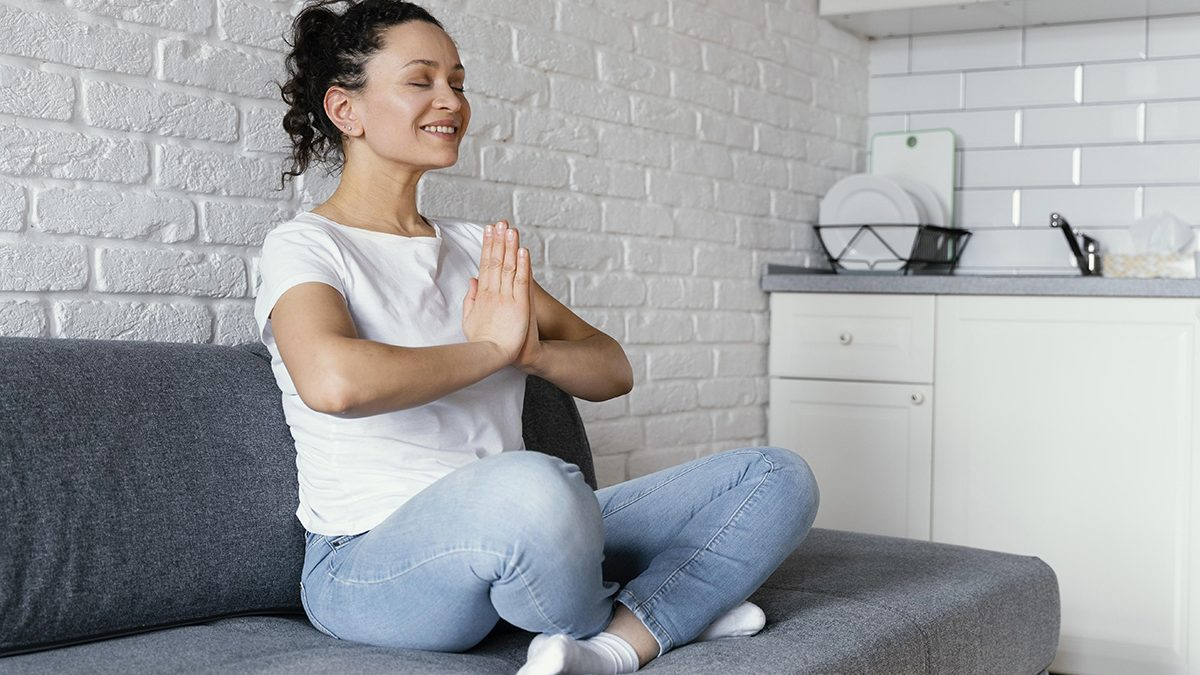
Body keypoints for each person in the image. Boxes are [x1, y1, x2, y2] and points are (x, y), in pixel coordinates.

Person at [254, 1, 820, 673]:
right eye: (421, 80)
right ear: (346, 109)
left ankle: (620, 643)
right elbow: (334, 382)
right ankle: (670, 610)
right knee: (536, 486)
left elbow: (611, 368)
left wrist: (531, 352)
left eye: (458, 82)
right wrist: (490, 351)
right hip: (370, 564)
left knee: (776, 475)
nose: (451, 101)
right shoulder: (306, 246)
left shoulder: (476, 249)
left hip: (526, 529)